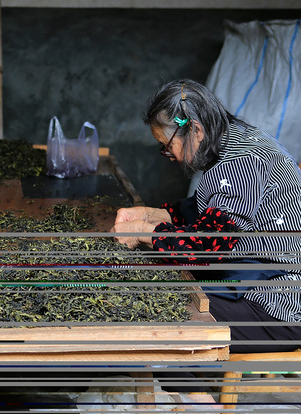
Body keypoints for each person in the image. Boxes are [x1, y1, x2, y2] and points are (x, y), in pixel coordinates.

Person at [110, 79, 301, 354]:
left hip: (279, 302)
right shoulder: (234, 137)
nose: (168, 155)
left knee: (161, 309)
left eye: (167, 146)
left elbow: (206, 247)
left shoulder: (240, 164)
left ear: (196, 130)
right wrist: (151, 213)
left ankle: (194, 396)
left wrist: (145, 232)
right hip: (262, 285)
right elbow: (212, 212)